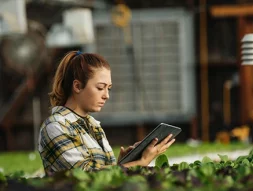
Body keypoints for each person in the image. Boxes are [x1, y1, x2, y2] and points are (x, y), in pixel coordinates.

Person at [38, 51, 175, 176]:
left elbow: (105, 175)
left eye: (108, 88)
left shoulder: (93, 125)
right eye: (100, 88)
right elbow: (85, 176)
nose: (106, 95)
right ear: (77, 86)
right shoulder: (55, 126)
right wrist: (141, 162)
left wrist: (123, 163)